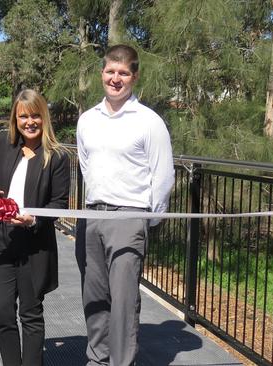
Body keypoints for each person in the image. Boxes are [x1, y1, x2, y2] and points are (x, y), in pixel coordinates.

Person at [75, 45, 175, 365]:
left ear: (134, 76)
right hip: (91, 216)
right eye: (110, 72)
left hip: (129, 218)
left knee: (123, 302)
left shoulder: (149, 122)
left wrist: (146, 221)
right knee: (94, 296)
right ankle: (97, 359)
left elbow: (162, 177)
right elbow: (86, 165)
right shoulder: (87, 120)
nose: (115, 79)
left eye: (123, 73)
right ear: (102, 73)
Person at [0, 89, 70, 366]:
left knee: (31, 315)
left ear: (44, 117)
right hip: (1, 242)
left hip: (34, 246)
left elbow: (60, 204)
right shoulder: (4, 142)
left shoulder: (58, 157)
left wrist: (34, 220)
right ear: (16, 118)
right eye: (23, 116)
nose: (30, 122)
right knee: (2, 314)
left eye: (35, 115)